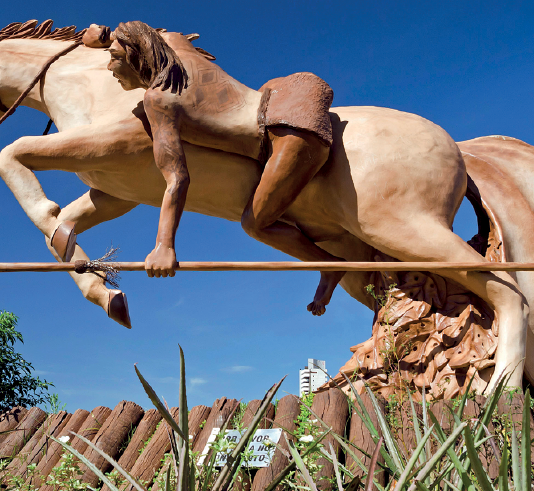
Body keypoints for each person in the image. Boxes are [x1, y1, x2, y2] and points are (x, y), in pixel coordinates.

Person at [66, 21, 344, 315]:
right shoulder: (175, 44)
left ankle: (330, 265)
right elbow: (147, 33)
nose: (109, 67)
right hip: (281, 92)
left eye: (115, 58)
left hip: (288, 131)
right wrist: (104, 38)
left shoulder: (158, 99)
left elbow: (176, 179)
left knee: (255, 223)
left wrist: (164, 245)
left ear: (136, 56)